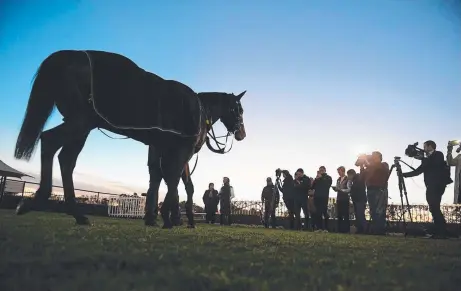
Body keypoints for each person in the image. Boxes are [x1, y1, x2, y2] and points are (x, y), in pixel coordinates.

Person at [403, 140, 452, 238]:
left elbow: (435, 164)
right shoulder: (427, 158)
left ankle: (441, 232)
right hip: (431, 186)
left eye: (425, 146)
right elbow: (419, 170)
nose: (424, 149)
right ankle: (441, 231)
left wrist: (423, 158)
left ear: (430, 146)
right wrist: (405, 175)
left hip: (437, 185)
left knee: (434, 208)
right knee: (434, 208)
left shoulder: (438, 154)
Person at [360, 151, 389, 235]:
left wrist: (366, 160)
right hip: (370, 190)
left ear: (379, 157)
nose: (371, 157)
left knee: (380, 211)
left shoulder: (384, 164)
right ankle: (376, 230)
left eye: (374, 156)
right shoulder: (369, 167)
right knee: (373, 210)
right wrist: (362, 166)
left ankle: (380, 231)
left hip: (380, 190)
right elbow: (362, 178)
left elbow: (379, 168)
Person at [311, 166, 332, 232]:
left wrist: (321, 178)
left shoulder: (328, 177)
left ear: (325, 170)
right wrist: (315, 180)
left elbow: (327, 185)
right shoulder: (317, 178)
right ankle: (319, 228)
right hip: (317, 197)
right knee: (318, 213)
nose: (321, 171)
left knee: (324, 212)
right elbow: (312, 187)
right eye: (320, 170)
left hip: (324, 197)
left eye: (322, 170)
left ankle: (326, 228)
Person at [346, 169, 367, 234]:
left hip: (360, 199)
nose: (348, 177)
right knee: (358, 215)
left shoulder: (358, 178)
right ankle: (360, 230)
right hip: (356, 199)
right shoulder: (354, 180)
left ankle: (364, 229)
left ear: (351, 174)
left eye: (348, 175)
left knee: (360, 215)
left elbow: (356, 188)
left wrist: (350, 185)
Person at [332, 166, 350, 233]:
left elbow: (348, 189)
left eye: (339, 172)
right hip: (339, 198)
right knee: (339, 214)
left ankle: (346, 230)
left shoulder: (347, 179)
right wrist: (336, 189)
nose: (338, 173)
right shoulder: (338, 179)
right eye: (338, 172)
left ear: (343, 171)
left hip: (345, 198)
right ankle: (340, 230)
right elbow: (338, 187)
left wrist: (340, 189)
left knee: (345, 214)